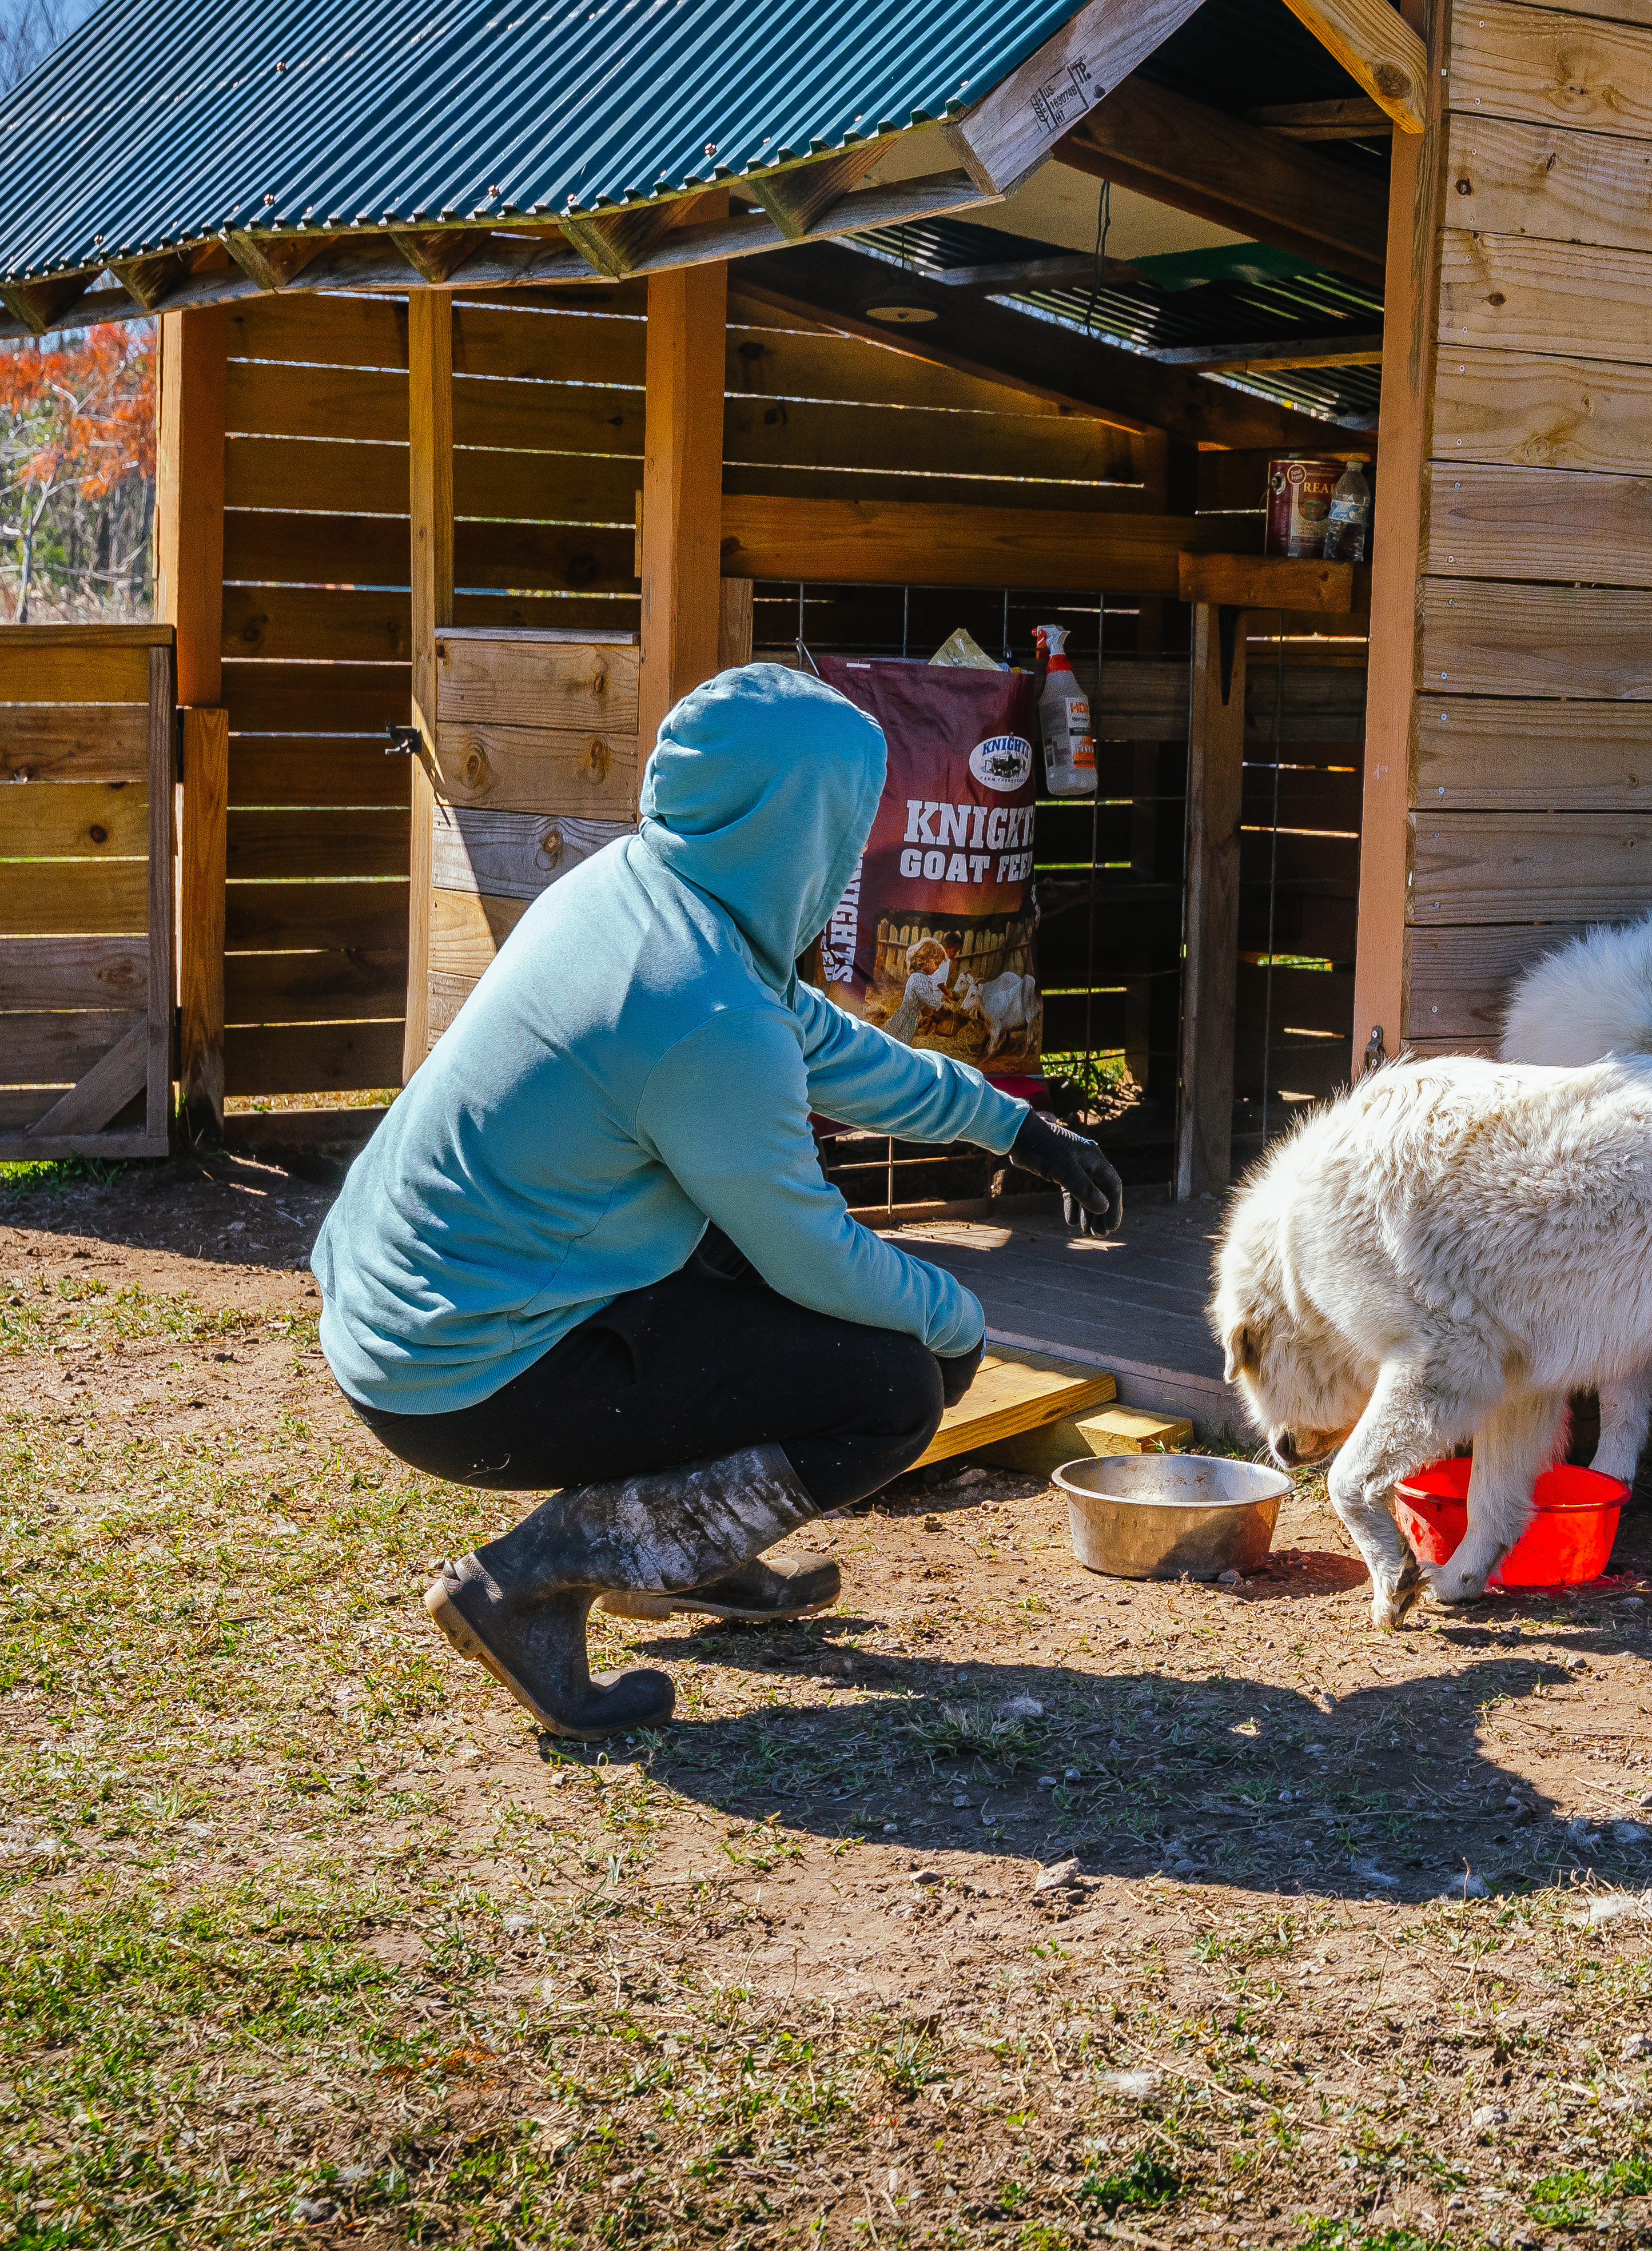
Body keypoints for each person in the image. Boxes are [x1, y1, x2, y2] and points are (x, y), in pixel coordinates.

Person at [312, 663, 1126, 1735]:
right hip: (465, 1375)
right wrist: (954, 1319)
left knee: (763, 1298)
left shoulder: (647, 893)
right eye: (849, 820)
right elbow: (810, 1251)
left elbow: (822, 1041)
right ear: (799, 827)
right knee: (889, 1387)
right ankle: (529, 1585)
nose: (856, 853)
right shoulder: (700, 1009)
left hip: (422, 1310)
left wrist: (1015, 1126)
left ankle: (681, 1552)